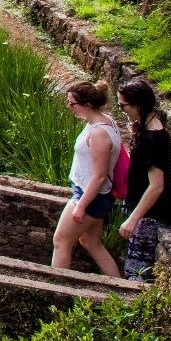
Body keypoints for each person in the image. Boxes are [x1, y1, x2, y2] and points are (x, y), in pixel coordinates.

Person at [53, 81, 123, 278]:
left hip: (90, 196)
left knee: (61, 241)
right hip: (95, 195)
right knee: (91, 242)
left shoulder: (99, 133)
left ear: (88, 105)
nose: (69, 107)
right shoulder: (103, 122)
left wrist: (82, 205)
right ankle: (119, 286)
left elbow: (99, 176)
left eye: (72, 103)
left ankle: (54, 289)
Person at [116, 78, 171, 281]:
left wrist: (133, 219)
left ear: (137, 105)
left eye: (123, 105)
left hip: (151, 216)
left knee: (137, 273)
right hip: (144, 212)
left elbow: (156, 186)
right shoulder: (147, 130)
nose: (121, 110)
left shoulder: (153, 138)